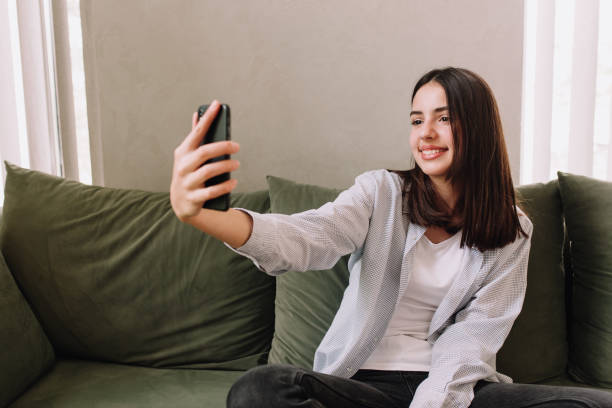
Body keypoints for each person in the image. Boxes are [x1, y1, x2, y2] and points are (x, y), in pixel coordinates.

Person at [170, 67, 612, 408]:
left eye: (444, 118)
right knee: (260, 387)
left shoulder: (512, 229)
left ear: (477, 129)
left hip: (455, 391)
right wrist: (203, 216)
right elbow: (311, 236)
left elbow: (472, 338)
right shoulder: (380, 192)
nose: (426, 133)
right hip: (361, 388)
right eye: (417, 119)